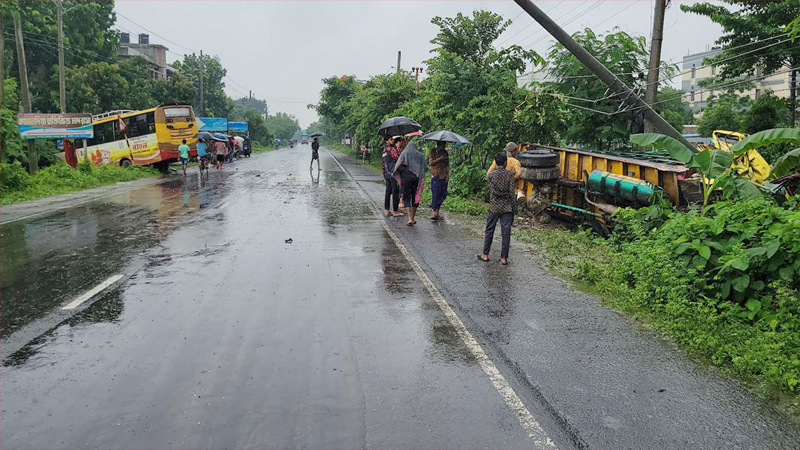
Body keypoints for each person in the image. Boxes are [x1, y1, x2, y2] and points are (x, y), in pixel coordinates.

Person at [479, 152, 516, 265]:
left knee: (489, 230)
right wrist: (514, 208)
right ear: (505, 162)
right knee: (506, 232)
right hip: (507, 207)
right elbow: (511, 193)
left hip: (494, 206)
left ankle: (485, 254)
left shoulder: (491, 176)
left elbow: (491, 191)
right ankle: (504, 258)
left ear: (496, 162)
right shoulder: (510, 175)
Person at [393, 137, 426, 226]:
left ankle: (409, 218)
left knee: (406, 197)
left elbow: (398, 166)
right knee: (415, 196)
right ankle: (413, 217)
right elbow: (425, 167)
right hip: (417, 179)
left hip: (406, 179)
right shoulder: (421, 155)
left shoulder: (404, 153)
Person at [381, 135, 402, 217]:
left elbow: (383, 162)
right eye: (391, 139)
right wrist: (398, 148)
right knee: (395, 192)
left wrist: (384, 172)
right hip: (393, 173)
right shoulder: (390, 149)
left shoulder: (384, 150)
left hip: (387, 173)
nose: (392, 141)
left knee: (388, 192)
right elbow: (398, 157)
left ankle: (387, 210)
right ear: (387, 141)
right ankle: (395, 210)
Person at [429, 140, 450, 221]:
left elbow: (447, 164)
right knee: (435, 193)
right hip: (435, 174)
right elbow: (431, 162)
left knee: (443, 193)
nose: (444, 146)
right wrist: (440, 158)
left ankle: (436, 208)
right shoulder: (432, 151)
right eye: (443, 144)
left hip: (443, 174)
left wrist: (448, 175)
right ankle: (435, 212)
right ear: (439, 144)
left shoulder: (445, 153)